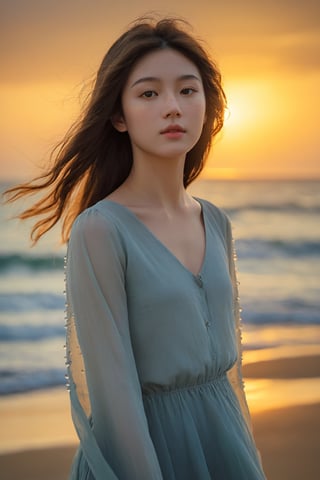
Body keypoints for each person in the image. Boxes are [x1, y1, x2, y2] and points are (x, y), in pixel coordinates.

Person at [5, 17, 266, 480]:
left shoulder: (217, 222)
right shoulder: (100, 231)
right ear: (118, 116)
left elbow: (232, 376)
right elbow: (114, 395)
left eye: (188, 91)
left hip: (224, 446)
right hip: (147, 455)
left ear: (208, 106)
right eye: (149, 93)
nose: (173, 107)